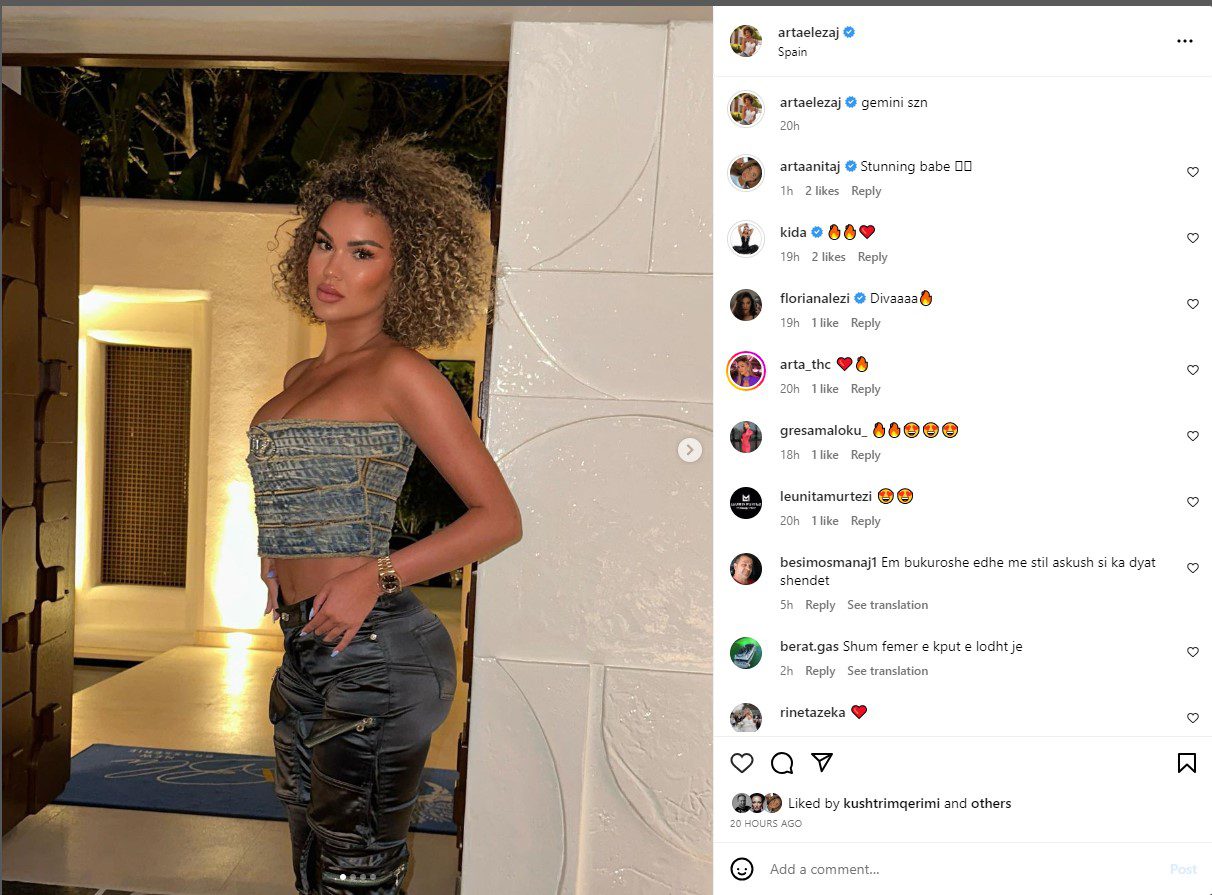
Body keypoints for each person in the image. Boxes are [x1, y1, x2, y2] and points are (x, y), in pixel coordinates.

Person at [250, 135, 523, 894]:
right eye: (324, 243)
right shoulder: (300, 373)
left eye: (362, 252)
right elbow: (304, 479)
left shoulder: (403, 373)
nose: (332, 269)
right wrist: (278, 548)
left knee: (355, 871)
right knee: (313, 863)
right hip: (306, 644)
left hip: (379, 652)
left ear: (405, 270)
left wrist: (376, 575)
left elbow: (498, 518)